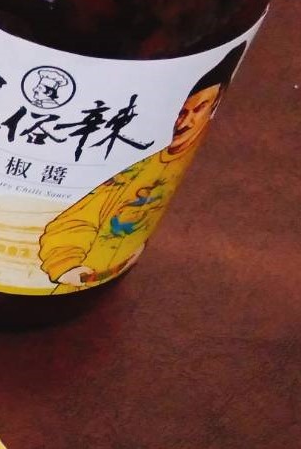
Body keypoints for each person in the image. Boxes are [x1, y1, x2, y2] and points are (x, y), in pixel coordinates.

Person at [39, 42, 247, 292]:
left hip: (115, 278)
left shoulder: (187, 162)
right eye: (182, 112)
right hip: (81, 281)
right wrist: (66, 265)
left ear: (215, 105)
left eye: (199, 109)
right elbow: (76, 220)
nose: (185, 122)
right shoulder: (138, 169)